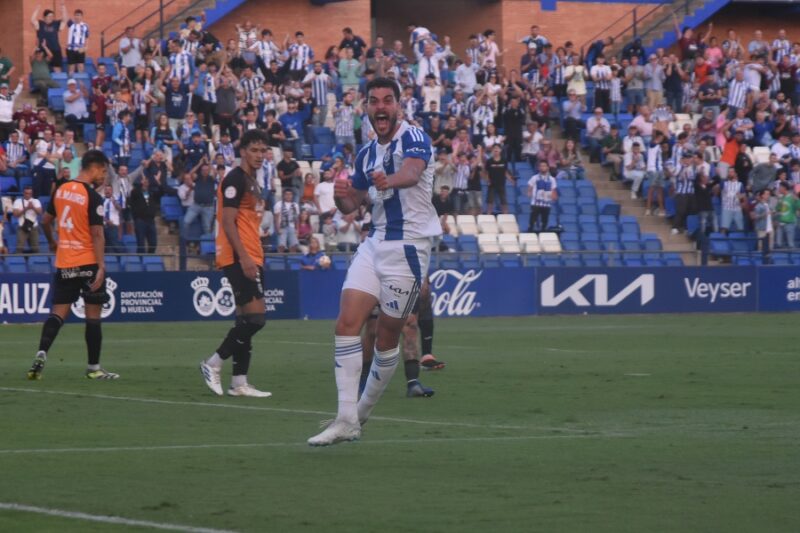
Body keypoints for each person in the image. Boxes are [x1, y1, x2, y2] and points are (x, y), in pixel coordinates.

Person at [307, 78, 441, 447]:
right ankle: (345, 417)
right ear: (366, 107)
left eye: (387, 101)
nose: (380, 107)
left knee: (386, 337)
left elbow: (411, 174)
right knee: (347, 323)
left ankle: (360, 414)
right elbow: (356, 204)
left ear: (398, 106)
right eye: (374, 101)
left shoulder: (414, 137)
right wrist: (341, 198)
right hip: (375, 241)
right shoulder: (365, 154)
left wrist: (387, 181)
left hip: (409, 247)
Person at [27, 150, 117, 380]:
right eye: (103, 171)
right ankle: (93, 368)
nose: (104, 177)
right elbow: (97, 234)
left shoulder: (61, 190)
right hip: (88, 262)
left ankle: (41, 353)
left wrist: (52, 242)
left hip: (65, 262)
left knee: (57, 314)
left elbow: (45, 221)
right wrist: (101, 266)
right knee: (93, 316)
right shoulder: (93, 197)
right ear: (94, 168)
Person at [199, 129, 271, 398]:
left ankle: (239, 382)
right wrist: (244, 258)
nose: (259, 155)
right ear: (243, 152)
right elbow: (227, 221)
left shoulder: (252, 180)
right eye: (254, 150)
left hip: (251, 253)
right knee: (256, 319)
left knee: (244, 318)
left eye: (263, 150)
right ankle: (213, 363)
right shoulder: (235, 179)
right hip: (241, 256)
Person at [528, 160, 558, 232]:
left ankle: (543, 231)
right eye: (541, 166)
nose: (542, 168)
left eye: (544, 166)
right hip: (536, 203)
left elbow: (553, 190)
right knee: (532, 221)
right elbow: (530, 188)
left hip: (546, 204)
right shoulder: (534, 178)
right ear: (538, 168)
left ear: (547, 167)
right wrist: (530, 193)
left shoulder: (552, 179)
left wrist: (554, 196)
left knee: (544, 222)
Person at [12, 186, 43, 253]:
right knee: (19, 248)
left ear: (32, 194)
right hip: (22, 226)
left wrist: (33, 207)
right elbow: (15, 214)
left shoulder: (36, 201)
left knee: (35, 248)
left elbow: (40, 213)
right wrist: (26, 208)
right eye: (26, 193)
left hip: (34, 227)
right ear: (23, 193)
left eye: (29, 193)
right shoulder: (18, 201)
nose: (28, 195)